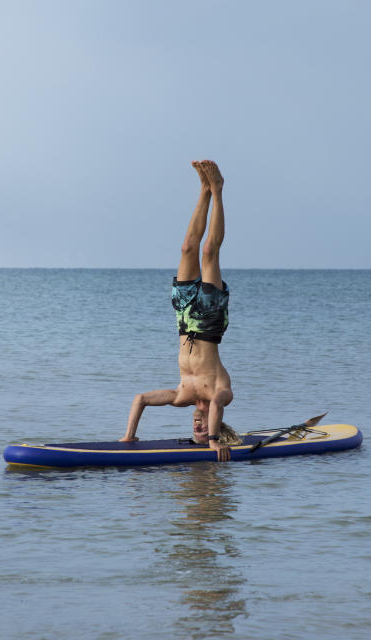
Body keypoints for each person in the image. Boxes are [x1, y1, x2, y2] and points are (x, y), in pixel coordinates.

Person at [120, 160, 235, 461]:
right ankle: (214, 190)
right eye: (204, 422)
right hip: (209, 322)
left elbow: (140, 399)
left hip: (184, 321)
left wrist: (130, 435)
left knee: (188, 248)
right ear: (215, 421)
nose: (198, 420)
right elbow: (219, 406)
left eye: (197, 423)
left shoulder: (183, 395)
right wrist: (212, 440)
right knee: (208, 251)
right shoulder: (220, 391)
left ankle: (206, 189)